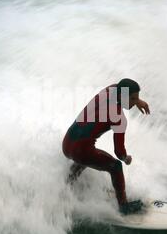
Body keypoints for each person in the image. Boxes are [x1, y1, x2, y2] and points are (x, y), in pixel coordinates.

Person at [62, 78, 150, 215]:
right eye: (133, 99)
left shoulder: (108, 91)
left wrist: (138, 101)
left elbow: (119, 87)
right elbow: (119, 152)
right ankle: (124, 206)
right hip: (81, 151)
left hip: (67, 144)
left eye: (136, 98)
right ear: (123, 96)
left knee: (86, 158)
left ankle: (66, 186)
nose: (134, 103)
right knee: (116, 166)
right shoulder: (119, 118)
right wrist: (126, 158)